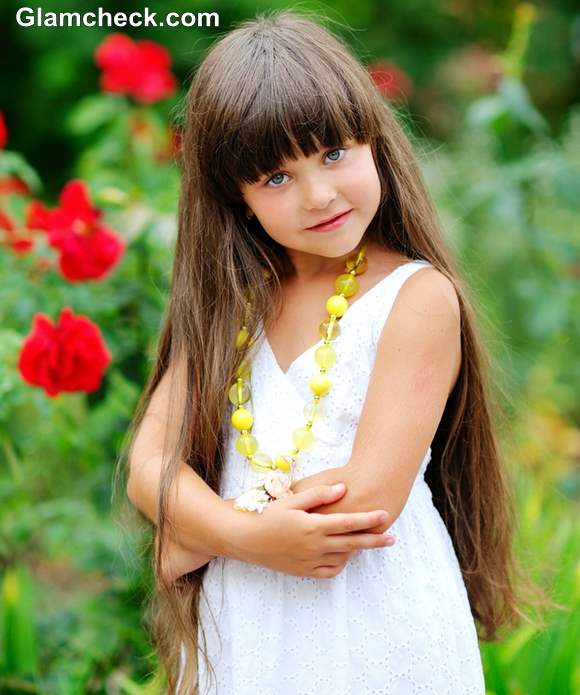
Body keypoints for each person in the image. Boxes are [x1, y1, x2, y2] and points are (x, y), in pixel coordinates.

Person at [119, 10, 531, 695]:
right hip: (247, 626)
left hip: (374, 623)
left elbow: (362, 500)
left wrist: (200, 532)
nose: (319, 194)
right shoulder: (233, 305)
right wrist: (246, 534)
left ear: (372, 140)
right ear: (239, 200)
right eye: (275, 178)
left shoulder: (416, 297)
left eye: (333, 153)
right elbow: (147, 465)